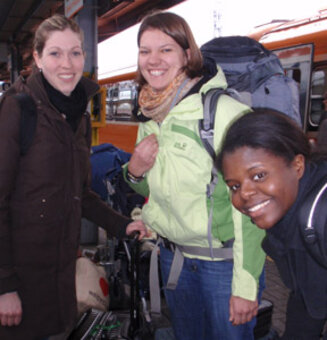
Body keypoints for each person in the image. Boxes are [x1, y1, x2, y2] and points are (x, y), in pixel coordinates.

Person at [0, 14, 147, 340]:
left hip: (61, 277)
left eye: (75, 52)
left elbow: (80, 194)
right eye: (55, 53)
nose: (67, 63)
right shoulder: (18, 109)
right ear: (37, 58)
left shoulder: (78, 117)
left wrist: (122, 224)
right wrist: (4, 285)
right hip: (20, 284)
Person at [124, 11, 266, 340]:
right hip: (174, 260)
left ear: (188, 55)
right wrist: (135, 173)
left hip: (223, 267)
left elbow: (252, 204)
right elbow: (153, 188)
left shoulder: (223, 113)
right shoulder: (150, 115)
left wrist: (244, 286)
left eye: (166, 49)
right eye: (145, 51)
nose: (153, 60)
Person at [217, 108, 327, 340]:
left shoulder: (321, 216)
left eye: (259, 175)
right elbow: (307, 299)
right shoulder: (288, 225)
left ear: (297, 166)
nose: (244, 194)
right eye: (234, 186)